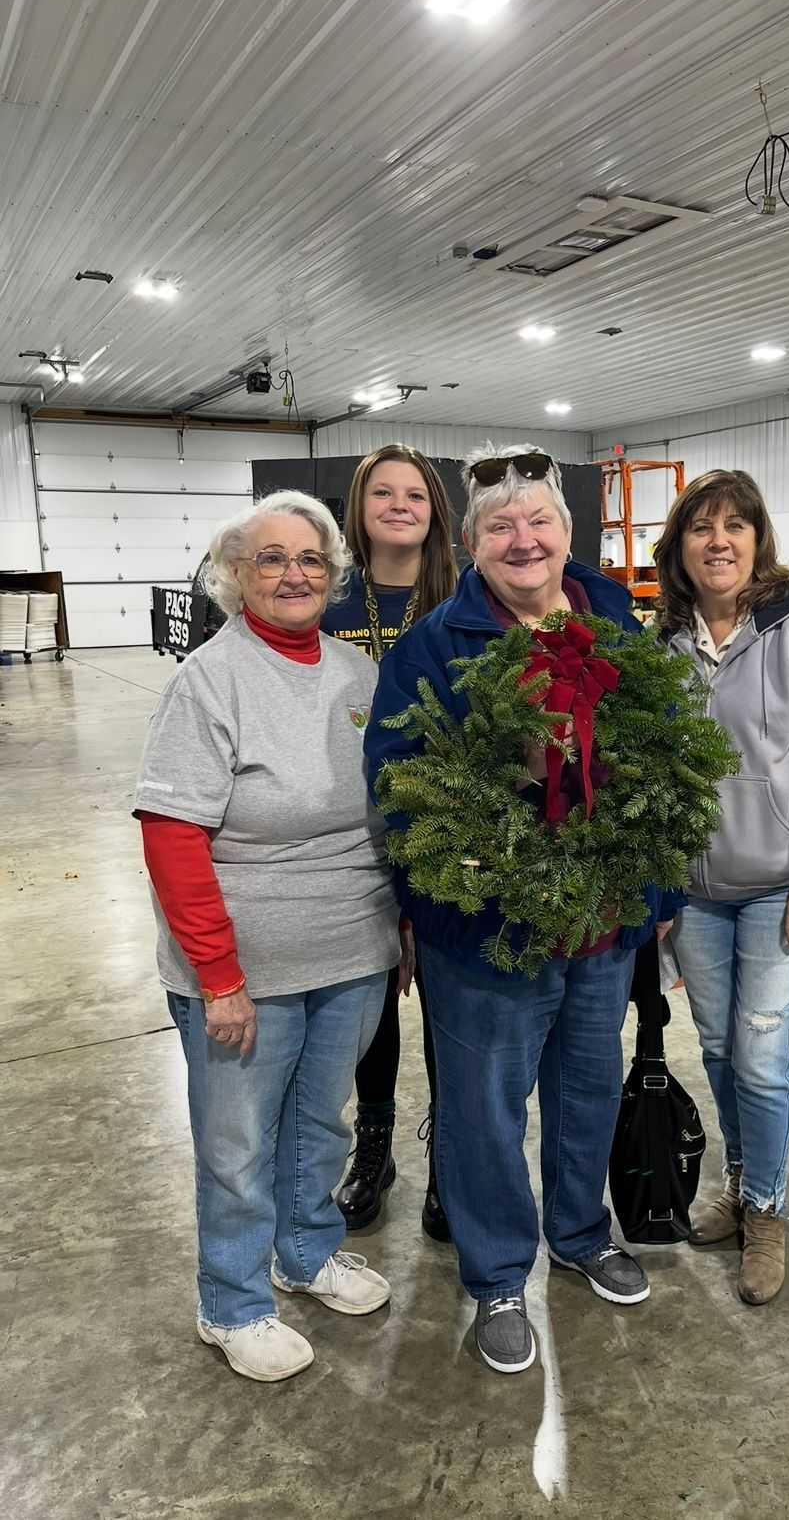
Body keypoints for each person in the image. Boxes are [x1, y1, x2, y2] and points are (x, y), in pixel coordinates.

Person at [364, 443, 681, 1374]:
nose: (523, 538)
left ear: (566, 533)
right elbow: (400, 783)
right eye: (499, 525)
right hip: (488, 932)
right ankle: (498, 1272)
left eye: (539, 520)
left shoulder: (615, 621)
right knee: (484, 1108)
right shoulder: (437, 642)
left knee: (586, 1087)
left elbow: (667, 759)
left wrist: (653, 894)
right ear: (468, 543)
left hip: (603, 924)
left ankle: (580, 1232)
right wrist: (442, 900)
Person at [134, 490, 397, 1382]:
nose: (294, 574)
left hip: (352, 950)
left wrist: (392, 927)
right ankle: (233, 1299)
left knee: (322, 1122)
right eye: (272, 559)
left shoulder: (357, 675)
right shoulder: (208, 678)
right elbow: (172, 834)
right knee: (238, 1146)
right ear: (236, 574)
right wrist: (217, 973)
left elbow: (390, 814)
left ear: (334, 573)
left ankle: (306, 1250)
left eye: (311, 559)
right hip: (246, 966)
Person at [654, 469, 789, 1306]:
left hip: (783, 888)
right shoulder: (666, 638)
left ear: (758, 539)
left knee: (761, 1055)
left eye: (735, 525)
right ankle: (740, 1187)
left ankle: (768, 1209)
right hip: (697, 894)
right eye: (702, 528)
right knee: (715, 1049)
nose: (719, 541)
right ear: (680, 547)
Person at [321, 444, 458, 1239]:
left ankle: (450, 1150)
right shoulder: (329, 596)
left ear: (435, 509)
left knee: (448, 999)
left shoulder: (461, 597)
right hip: (349, 828)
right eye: (384, 492)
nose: (400, 504)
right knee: (369, 1000)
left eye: (415, 493)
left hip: (445, 828)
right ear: (361, 505)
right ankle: (374, 1144)